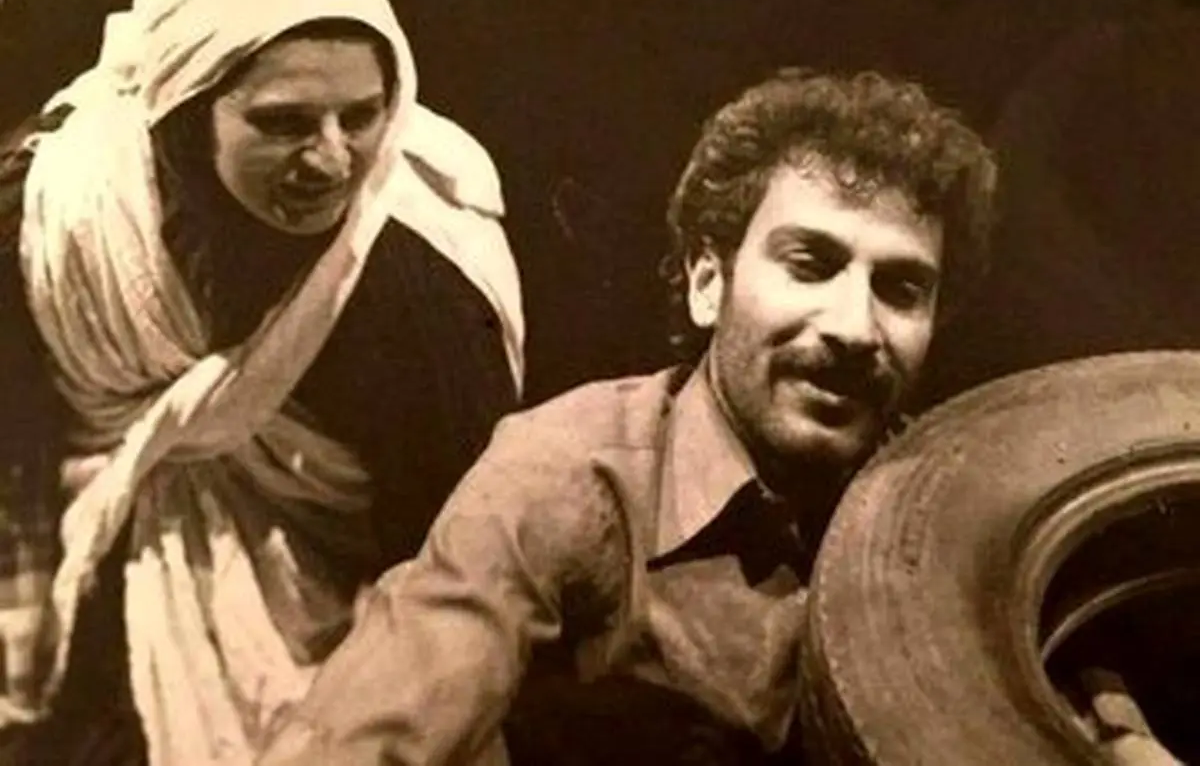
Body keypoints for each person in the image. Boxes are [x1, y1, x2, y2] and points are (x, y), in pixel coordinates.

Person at [256, 67, 1000, 766]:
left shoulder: (950, 507)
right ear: (708, 281)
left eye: (901, 289)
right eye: (810, 265)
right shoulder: (566, 473)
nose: (855, 328)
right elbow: (364, 739)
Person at [0, 0, 524, 764]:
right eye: (284, 123)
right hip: (91, 587)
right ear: (183, 114)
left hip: (353, 648)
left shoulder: (415, 276)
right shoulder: (69, 214)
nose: (333, 159)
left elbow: (453, 555)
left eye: (362, 116)